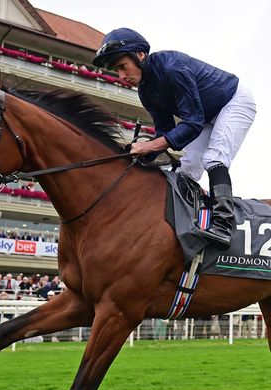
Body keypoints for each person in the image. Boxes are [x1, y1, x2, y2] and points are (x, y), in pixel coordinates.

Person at [93, 28, 256, 249]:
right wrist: (141, 154)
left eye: (123, 67)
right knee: (186, 171)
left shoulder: (171, 67)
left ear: (139, 55)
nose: (122, 76)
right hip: (205, 117)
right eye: (116, 70)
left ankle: (223, 225)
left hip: (233, 101)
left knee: (214, 159)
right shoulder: (145, 91)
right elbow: (165, 131)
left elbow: (192, 123)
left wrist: (149, 146)